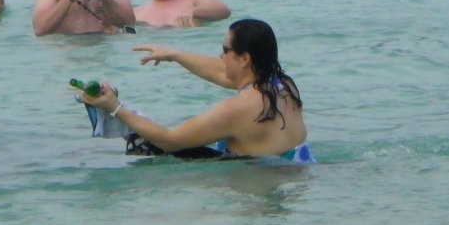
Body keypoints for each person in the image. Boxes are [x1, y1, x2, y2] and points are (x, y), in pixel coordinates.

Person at [80, 18, 310, 161]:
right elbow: (223, 73)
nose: (220, 56)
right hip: (295, 179)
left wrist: (115, 107)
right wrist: (175, 55)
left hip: (261, 189)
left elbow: (169, 140)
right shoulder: (284, 85)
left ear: (244, 59)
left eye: (225, 50)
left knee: (157, 148)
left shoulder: (238, 110)